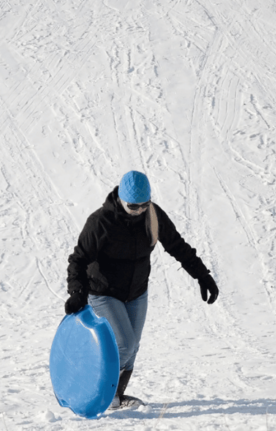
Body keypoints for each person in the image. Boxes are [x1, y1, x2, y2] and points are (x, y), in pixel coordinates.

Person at [65, 171, 219, 409]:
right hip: (104, 292)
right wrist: (77, 293)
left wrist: (202, 275)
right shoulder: (101, 222)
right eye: (133, 206)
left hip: (136, 292)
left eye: (144, 205)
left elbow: (177, 245)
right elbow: (78, 260)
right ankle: (96, 391)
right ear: (121, 200)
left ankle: (113, 397)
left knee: (133, 347)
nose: (139, 210)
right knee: (125, 344)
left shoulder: (153, 216)